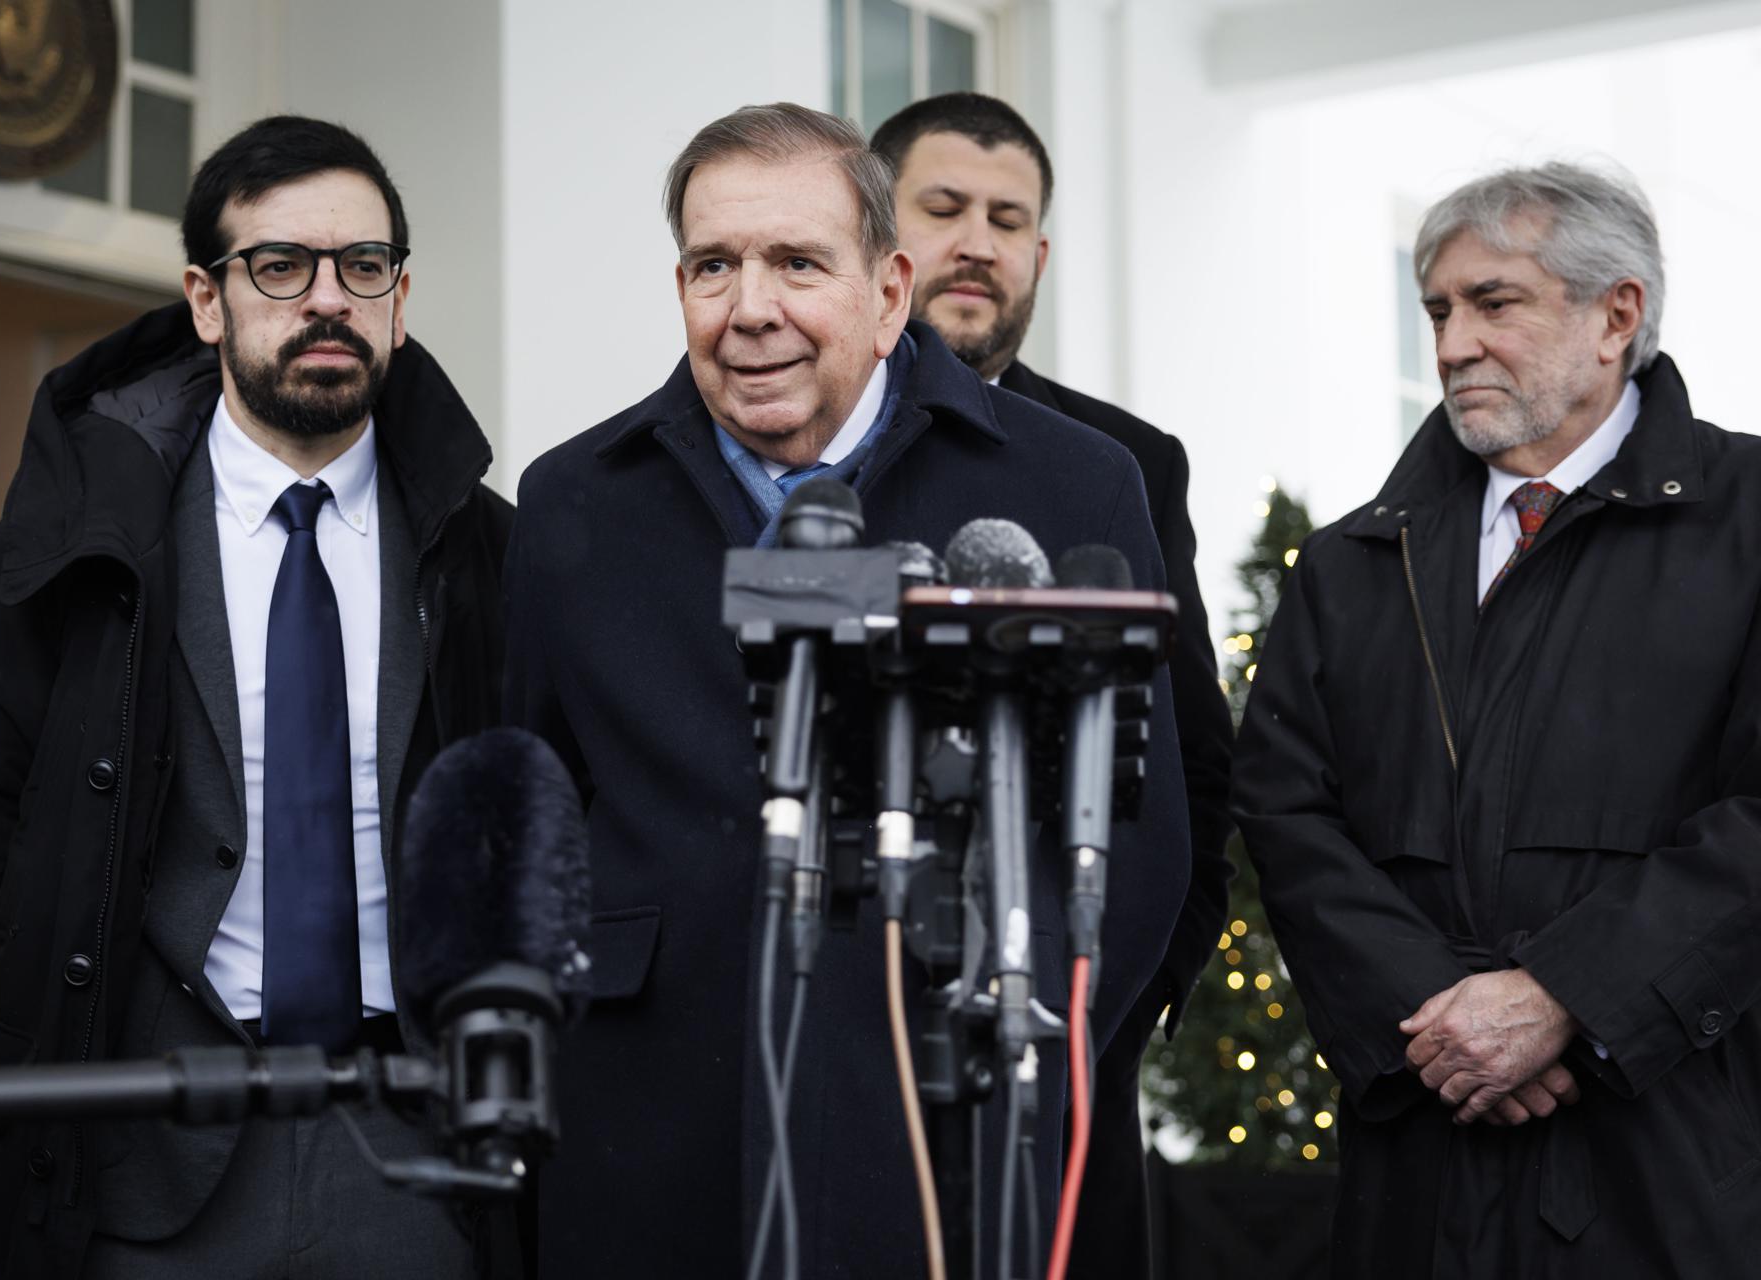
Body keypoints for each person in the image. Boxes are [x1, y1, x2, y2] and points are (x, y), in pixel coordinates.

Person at [503, 102, 1190, 1276]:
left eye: (797, 263)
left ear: (888, 292)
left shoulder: (1075, 483)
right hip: (649, 1135)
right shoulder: (575, 499)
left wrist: (1023, 1053)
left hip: (955, 1138)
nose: (751, 306)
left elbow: (1145, 838)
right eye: (713, 264)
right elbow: (525, 818)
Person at [0, 116, 515, 1280]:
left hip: (409, 1142)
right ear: (208, 298)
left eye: (363, 267)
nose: (327, 300)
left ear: (400, 295)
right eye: (281, 266)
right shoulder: (85, 538)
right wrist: (108, 985)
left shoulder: (487, 551)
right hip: (152, 1146)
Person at [1232, 162, 1761, 1276]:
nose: (1454, 342)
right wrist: (1441, 1020)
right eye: (1438, 309)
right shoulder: (1349, 563)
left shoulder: (1749, 522)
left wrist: (1573, 994)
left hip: (1672, 1161)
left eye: (1495, 302)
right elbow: (1284, 808)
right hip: (1419, 1166)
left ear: (1617, 312)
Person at [873, 93, 1235, 1277]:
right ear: (877, 230)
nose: (978, 239)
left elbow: (1192, 756)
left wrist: (1125, 999)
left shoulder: (1123, 464)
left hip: (1064, 1045)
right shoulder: (792, 434)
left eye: (1008, 217)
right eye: (944, 207)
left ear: (1040, 252)